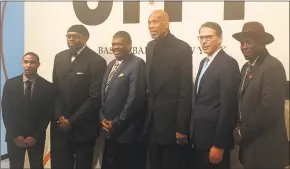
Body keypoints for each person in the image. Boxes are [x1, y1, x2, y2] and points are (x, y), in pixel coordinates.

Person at [232, 21, 289, 169]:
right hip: (250, 148)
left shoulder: (273, 66)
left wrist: (242, 132)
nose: (243, 46)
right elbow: (240, 103)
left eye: (248, 42)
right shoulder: (246, 67)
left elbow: (269, 110)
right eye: (242, 43)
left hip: (266, 149)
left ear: (261, 43)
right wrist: (238, 126)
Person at [50, 24, 107, 169]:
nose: (71, 39)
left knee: (83, 164)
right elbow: (55, 90)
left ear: (86, 38)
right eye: (68, 36)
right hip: (60, 125)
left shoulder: (97, 61)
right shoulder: (59, 57)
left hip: (83, 126)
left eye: (75, 36)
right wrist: (60, 117)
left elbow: (94, 97)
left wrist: (72, 121)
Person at [144, 10, 193, 169]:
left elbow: (185, 90)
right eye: (149, 22)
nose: (152, 26)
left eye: (156, 21)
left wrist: (181, 127)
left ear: (166, 23)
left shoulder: (182, 48)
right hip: (151, 125)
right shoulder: (150, 47)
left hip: (172, 127)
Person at [190, 22, 240, 169]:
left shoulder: (228, 64)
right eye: (201, 38)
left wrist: (219, 144)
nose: (204, 41)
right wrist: (194, 133)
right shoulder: (203, 62)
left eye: (208, 37)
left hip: (214, 141)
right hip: (199, 138)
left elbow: (228, 108)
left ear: (220, 38)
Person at [100, 31, 147, 169]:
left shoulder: (137, 63)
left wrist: (117, 122)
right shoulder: (111, 64)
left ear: (129, 46)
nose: (116, 47)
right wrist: (102, 118)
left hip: (127, 132)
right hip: (109, 131)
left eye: (120, 44)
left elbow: (135, 98)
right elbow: (104, 95)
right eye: (114, 44)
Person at [1, 52, 54, 169]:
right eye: (26, 62)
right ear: (22, 64)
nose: (28, 65)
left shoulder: (48, 87)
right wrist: (15, 136)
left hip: (36, 138)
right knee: (15, 166)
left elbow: (47, 115)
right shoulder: (10, 84)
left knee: (36, 165)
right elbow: (6, 112)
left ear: (38, 64)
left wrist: (35, 137)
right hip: (14, 137)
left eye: (32, 62)